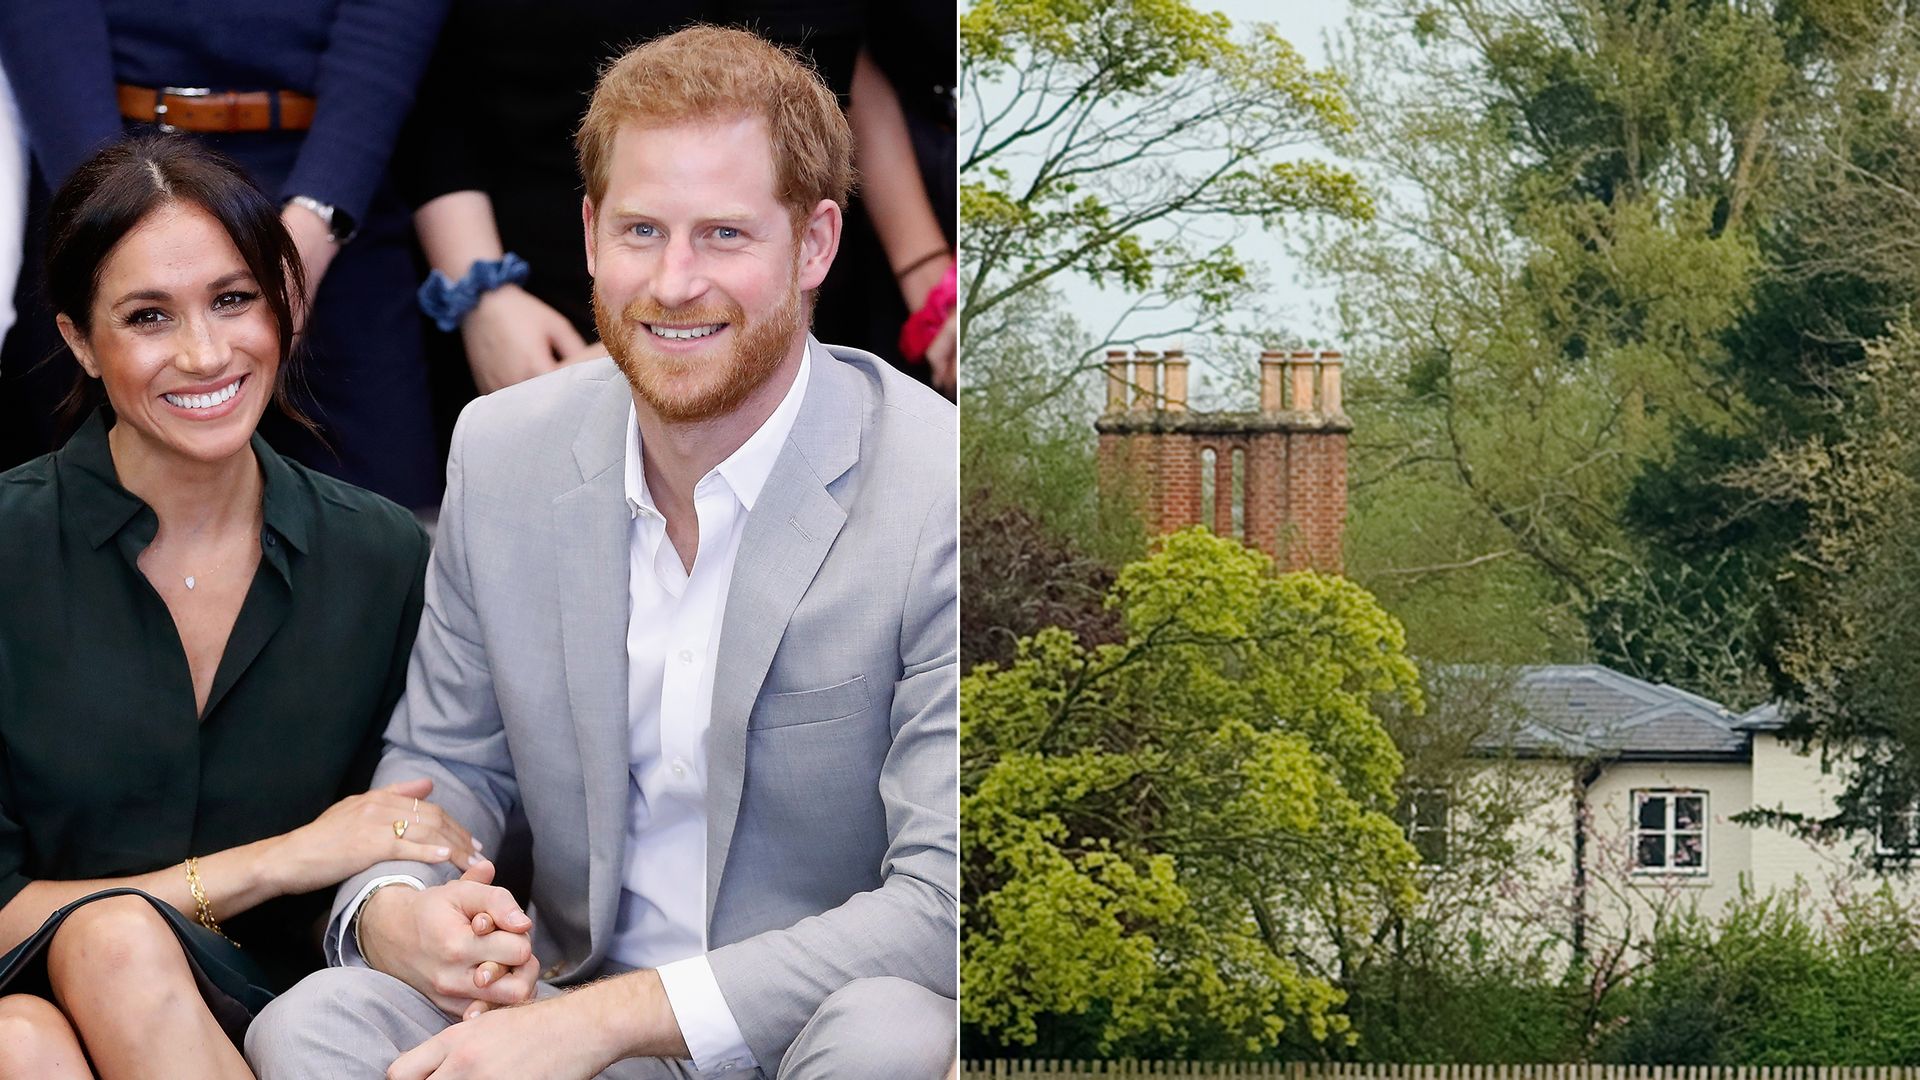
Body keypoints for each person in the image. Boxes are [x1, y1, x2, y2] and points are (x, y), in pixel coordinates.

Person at [246, 24, 958, 1080]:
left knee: (898, 1035)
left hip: (803, 1028)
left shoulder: (936, 487)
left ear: (814, 244)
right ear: (587, 233)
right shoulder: (503, 450)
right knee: (314, 1022)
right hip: (556, 1003)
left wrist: (602, 1023)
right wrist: (398, 911)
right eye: (640, 231)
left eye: (724, 235)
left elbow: (940, 907)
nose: (674, 283)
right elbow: (445, 771)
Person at [0, 134, 483, 1078]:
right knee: (45, 1012)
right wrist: (281, 858)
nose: (206, 352)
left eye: (233, 300)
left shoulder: (380, 555)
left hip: (288, 1019)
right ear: (77, 343)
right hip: (28, 999)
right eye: (148, 316)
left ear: (283, 306)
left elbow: (409, 838)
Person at [0, 0, 451, 510]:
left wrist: (315, 224)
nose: (206, 355)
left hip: (336, 185)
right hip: (111, 165)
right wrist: (106, 209)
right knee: (85, 530)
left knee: (378, 526)